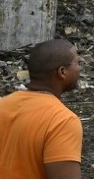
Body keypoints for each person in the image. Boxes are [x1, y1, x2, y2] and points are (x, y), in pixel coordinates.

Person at [0, 39, 83, 178]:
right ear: (62, 72)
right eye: (78, 63)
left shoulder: (3, 104)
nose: (80, 68)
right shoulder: (62, 121)